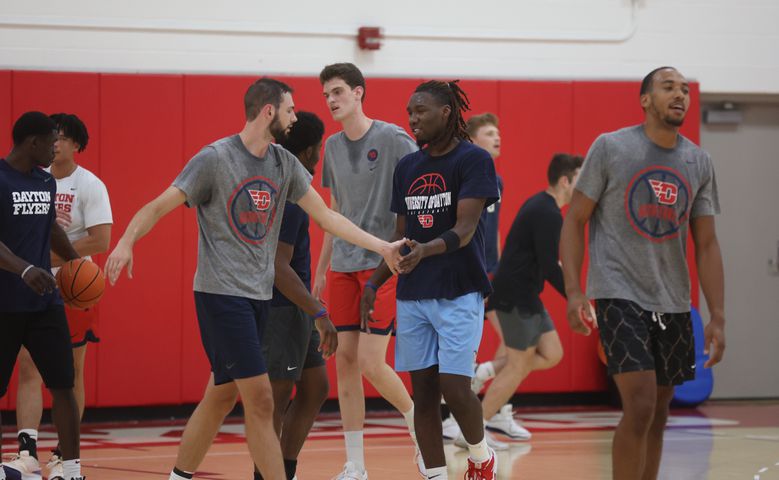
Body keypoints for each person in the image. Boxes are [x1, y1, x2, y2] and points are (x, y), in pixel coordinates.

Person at [104, 78, 404, 480]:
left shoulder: (283, 164)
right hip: (219, 295)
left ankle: (178, 476)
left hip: (257, 298)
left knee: (220, 397)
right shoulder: (215, 158)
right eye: (290, 109)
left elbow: (327, 217)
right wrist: (126, 240)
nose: (295, 116)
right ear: (268, 111)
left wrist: (382, 246)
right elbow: (159, 205)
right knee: (262, 400)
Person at [560, 66, 726, 480]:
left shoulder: (697, 161)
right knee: (640, 404)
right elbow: (575, 220)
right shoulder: (612, 148)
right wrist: (575, 292)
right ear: (645, 100)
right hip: (618, 293)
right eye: (669, 87)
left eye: (685, 90)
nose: (680, 95)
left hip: (672, 299)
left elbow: (706, 243)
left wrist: (718, 315)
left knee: (660, 409)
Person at [362, 80, 500, 480]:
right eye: (409, 112)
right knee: (422, 396)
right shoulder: (407, 167)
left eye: (420, 111)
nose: (412, 119)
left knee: (455, 389)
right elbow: (399, 239)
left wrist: (426, 249)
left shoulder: (473, 161)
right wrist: (374, 283)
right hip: (413, 294)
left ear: (445, 112)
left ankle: (480, 456)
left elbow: (466, 228)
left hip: (459, 290)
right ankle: (436, 475)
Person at [313, 63, 421, 479]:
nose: (331, 100)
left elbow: (421, 191)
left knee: (372, 362)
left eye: (338, 91)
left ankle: (418, 425)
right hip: (342, 265)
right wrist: (322, 268)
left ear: (359, 92)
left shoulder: (393, 138)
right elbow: (333, 212)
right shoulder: (333, 147)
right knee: (345, 361)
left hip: (384, 264)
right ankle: (355, 464)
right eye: (326, 95)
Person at [5, 113, 112, 480]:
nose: (55, 146)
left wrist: (73, 265)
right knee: (22, 374)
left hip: (53, 296)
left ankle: (70, 465)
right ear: (32, 142)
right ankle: (25, 450)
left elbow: (57, 229)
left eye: (60, 139)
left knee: (65, 379)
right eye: (51, 140)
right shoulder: (4, 179)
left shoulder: (54, 183)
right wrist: (25, 267)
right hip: (9, 297)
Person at [478, 153, 583, 442]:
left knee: (552, 354)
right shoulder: (546, 212)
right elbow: (551, 267)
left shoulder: (546, 207)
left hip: (527, 296)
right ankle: (473, 431)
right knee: (518, 365)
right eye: (580, 179)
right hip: (514, 296)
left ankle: (484, 371)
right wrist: (577, 298)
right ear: (565, 181)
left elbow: (550, 264)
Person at [256, 111, 336, 480]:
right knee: (276, 399)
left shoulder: (293, 190)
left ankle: (285, 470)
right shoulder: (290, 198)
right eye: (318, 148)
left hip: (296, 306)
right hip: (281, 308)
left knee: (316, 387)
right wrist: (319, 312)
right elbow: (278, 267)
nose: (320, 157)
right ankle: (268, 475)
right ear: (307, 153)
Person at [441, 113, 510, 445]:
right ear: (472, 139)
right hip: (464, 275)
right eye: (489, 133)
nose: (497, 138)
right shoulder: (464, 175)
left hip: (488, 275)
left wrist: (495, 269)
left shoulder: (498, 182)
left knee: (510, 348)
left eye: (499, 133)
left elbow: (493, 234)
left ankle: (490, 408)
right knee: (464, 348)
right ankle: (455, 418)